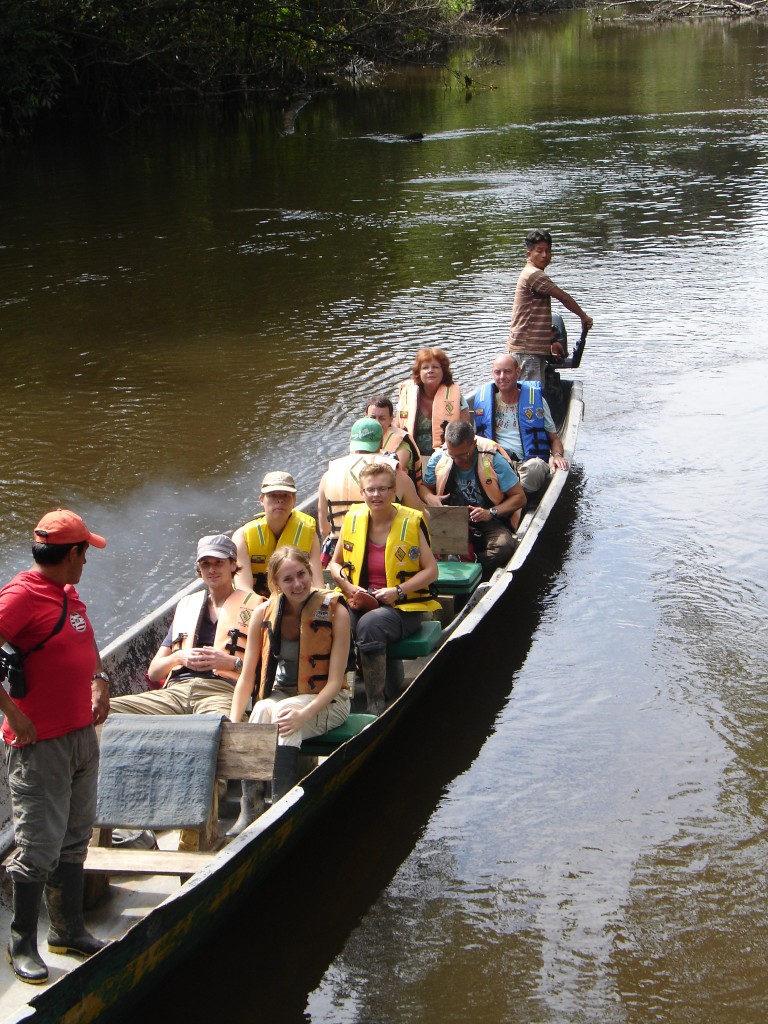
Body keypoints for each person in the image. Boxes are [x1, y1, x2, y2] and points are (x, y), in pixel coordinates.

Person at [0, 509, 109, 984]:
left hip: (80, 735)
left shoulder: (66, 593)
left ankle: (67, 930)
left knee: (75, 834)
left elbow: (82, 645)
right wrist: (14, 713)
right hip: (39, 743)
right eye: (85, 551)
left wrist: (100, 677)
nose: (88, 560)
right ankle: (21, 941)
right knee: (38, 846)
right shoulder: (21, 597)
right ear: (72, 554)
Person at [227, 547, 351, 835]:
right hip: (285, 695)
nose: (297, 584)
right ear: (275, 584)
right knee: (259, 709)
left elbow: (335, 683)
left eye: (301, 575)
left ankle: (282, 808)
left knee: (285, 712)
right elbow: (247, 677)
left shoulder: (336, 611)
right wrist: (235, 724)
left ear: (310, 572)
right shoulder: (264, 613)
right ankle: (251, 806)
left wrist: (302, 713)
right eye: (287, 579)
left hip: (329, 701)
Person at [110, 534, 262, 719]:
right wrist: (179, 657)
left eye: (218, 563)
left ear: (232, 565)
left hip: (221, 692)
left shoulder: (257, 607)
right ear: (199, 569)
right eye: (205, 564)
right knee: (103, 709)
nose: (212, 569)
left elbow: (267, 669)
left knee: (216, 725)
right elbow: (154, 671)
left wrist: (232, 663)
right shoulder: (187, 607)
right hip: (175, 692)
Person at [329, 462, 439, 715]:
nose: (376, 495)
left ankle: (374, 701)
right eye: (370, 490)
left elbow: (431, 571)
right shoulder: (353, 519)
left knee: (370, 625)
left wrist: (398, 591)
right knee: (334, 618)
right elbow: (334, 565)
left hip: (403, 606)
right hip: (362, 599)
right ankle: (340, 693)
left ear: (393, 492)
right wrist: (349, 587)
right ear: (362, 492)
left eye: (382, 489)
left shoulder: (411, 522)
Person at [420, 421, 526, 581]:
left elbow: (519, 497)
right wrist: (431, 497)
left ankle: (472, 565)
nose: (457, 460)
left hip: (489, 518)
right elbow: (424, 488)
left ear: (473, 444)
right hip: (451, 517)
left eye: (463, 455)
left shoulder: (493, 459)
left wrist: (491, 512)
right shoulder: (439, 457)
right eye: (452, 455)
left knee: (504, 547)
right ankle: (448, 567)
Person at [317, 418, 426, 552]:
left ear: (351, 441)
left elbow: (324, 529)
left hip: (340, 550)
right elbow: (421, 518)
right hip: (385, 549)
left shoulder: (328, 475)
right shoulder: (395, 473)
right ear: (381, 442)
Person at [473, 352, 569, 494]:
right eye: (497, 372)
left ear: (518, 372)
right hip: (496, 462)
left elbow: (554, 438)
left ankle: (507, 498)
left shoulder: (536, 401)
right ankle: (514, 499)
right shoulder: (483, 402)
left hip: (527, 464)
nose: (502, 377)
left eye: (507, 372)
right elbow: (477, 439)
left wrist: (557, 456)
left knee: (535, 470)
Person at [508, 229, 593, 383]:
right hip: (527, 349)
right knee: (531, 397)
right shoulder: (534, 274)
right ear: (529, 254)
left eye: (548, 251)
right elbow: (564, 297)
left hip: (531, 348)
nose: (544, 255)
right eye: (539, 251)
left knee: (532, 395)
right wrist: (583, 316)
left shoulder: (533, 274)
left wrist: (551, 340)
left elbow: (533, 315)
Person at [232, 471, 323, 597]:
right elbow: (243, 588)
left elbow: (317, 584)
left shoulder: (309, 533)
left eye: (286, 495)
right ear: (261, 500)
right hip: (258, 604)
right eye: (273, 495)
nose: (280, 500)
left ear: (294, 500)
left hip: (296, 600)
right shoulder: (242, 537)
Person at [395, 348, 470, 462]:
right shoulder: (407, 395)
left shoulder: (456, 397)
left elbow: (465, 431)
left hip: (446, 456)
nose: (430, 371)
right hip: (413, 456)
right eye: (425, 367)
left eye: (435, 367)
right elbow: (397, 429)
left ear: (443, 371)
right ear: (419, 372)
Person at [365, 395, 422, 485]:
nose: (376, 423)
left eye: (382, 418)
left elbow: (393, 475)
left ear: (391, 419)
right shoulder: (360, 438)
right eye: (372, 418)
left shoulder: (402, 445)